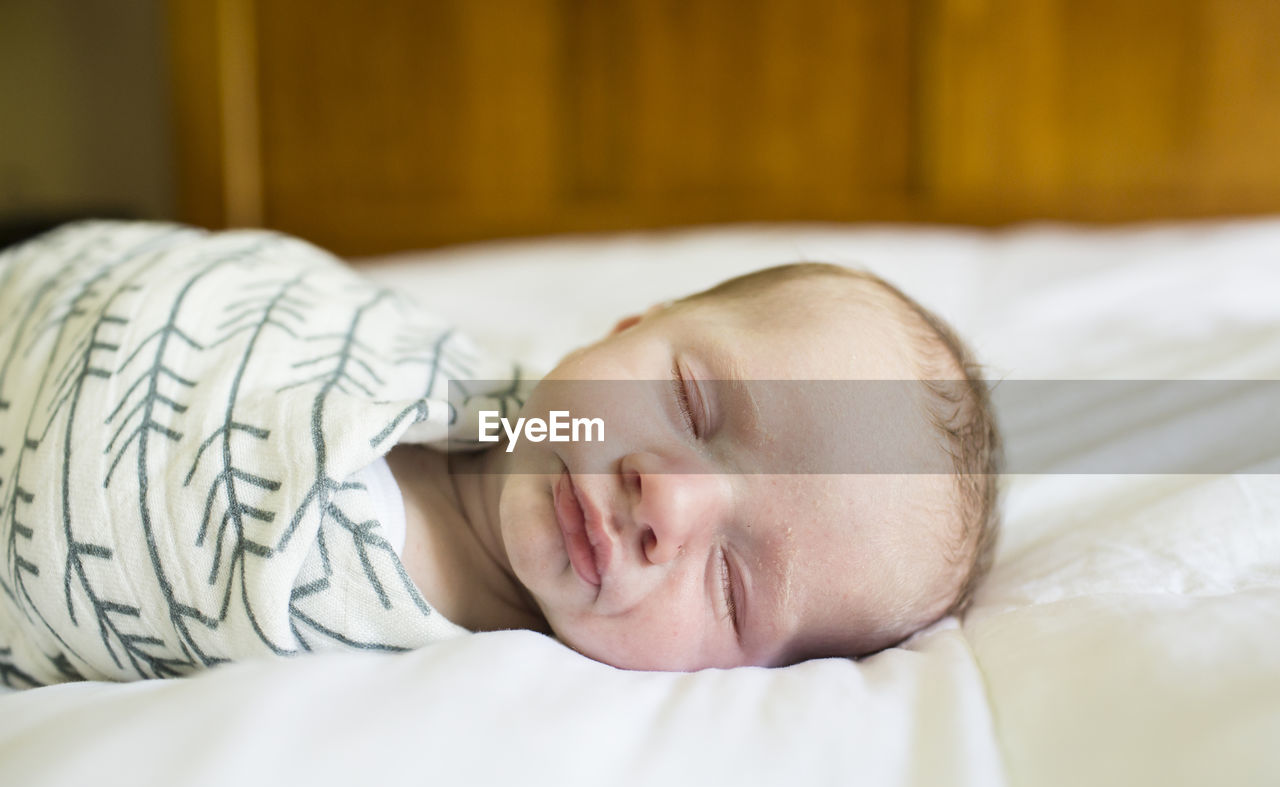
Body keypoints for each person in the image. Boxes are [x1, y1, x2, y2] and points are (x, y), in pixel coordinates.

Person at [0, 222, 999, 686]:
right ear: (627, 323)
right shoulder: (506, 399)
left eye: (732, 585)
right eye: (694, 401)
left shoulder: (414, 681)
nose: (667, 501)